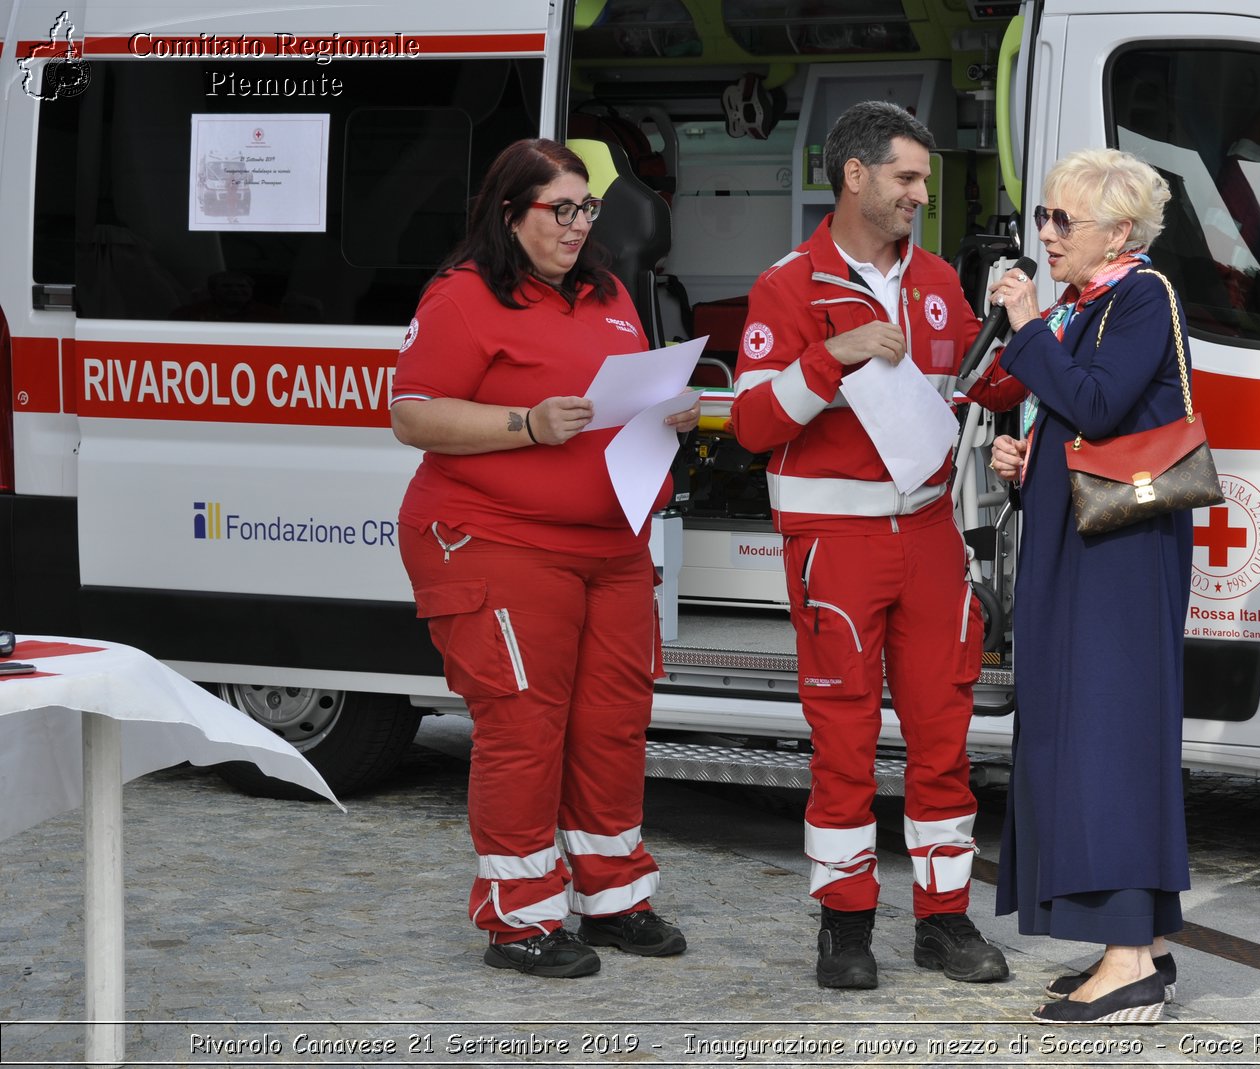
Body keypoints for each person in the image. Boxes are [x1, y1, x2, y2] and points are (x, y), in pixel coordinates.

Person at [730, 101, 1024, 990]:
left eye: (923, 180)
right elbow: (747, 423)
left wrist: (1016, 351)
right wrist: (834, 356)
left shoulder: (937, 278)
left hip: (932, 535)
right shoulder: (788, 285)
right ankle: (845, 925)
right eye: (907, 177)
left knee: (945, 737)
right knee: (844, 741)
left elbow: (967, 396)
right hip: (835, 544)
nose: (920, 195)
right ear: (855, 175)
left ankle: (942, 920)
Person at [390, 138, 699, 979]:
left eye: (586, 207)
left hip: (611, 544)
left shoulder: (605, 292)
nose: (576, 224)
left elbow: (620, 394)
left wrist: (663, 411)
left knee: (611, 722)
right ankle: (519, 917)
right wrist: (526, 423)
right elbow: (412, 415)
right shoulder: (463, 298)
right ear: (508, 213)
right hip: (495, 541)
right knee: (525, 728)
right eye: (557, 209)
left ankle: (612, 897)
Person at [987, 147, 1193, 1025]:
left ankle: (1128, 957)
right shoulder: (1088, 305)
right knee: (1078, 731)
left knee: (1109, 737)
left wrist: (1028, 322)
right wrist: (1022, 462)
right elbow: (1078, 413)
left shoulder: (1140, 295)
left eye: (1062, 220)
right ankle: (1131, 946)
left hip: (1118, 552)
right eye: (1043, 215)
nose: (1045, 232)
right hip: (1081, 544)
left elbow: (1103, 408)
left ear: (1118, 230)